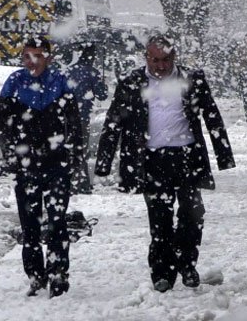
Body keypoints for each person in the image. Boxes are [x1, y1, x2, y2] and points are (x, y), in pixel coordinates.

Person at [94, 34, 235, 292]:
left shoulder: (192, 79)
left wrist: (223, 154)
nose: (161, 66)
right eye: (155, 60)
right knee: (159, 218)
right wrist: (103, 164)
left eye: (166, 59)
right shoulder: (131, 82)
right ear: (146, 57)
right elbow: (113, 122)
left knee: (193, 215)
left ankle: (187, 263)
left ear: (175, 57)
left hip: (187, 157)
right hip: (151, 160)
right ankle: (162, 274)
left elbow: (211, 115)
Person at [0, 37, 82, 298]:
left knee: (57, 222)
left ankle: (58, 274)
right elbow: (0, 122)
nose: (32, 62)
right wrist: (11, 154)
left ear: (49, 58)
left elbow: (75, 124)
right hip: (26, 165)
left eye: (38, 56)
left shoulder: (60, 83)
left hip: (56, 164)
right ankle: (35, 275)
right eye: (27, 56)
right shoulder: (14, 83)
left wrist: (74, 157)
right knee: (30, 224)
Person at [66, 42, 108, 194]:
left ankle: (70, 181)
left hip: (66, 116)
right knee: (81, 149)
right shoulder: (92, 72)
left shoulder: (69, 71)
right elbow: (102, 96)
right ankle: (81, 183)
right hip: (82, 117)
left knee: (70, 148)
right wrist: (103, 87)